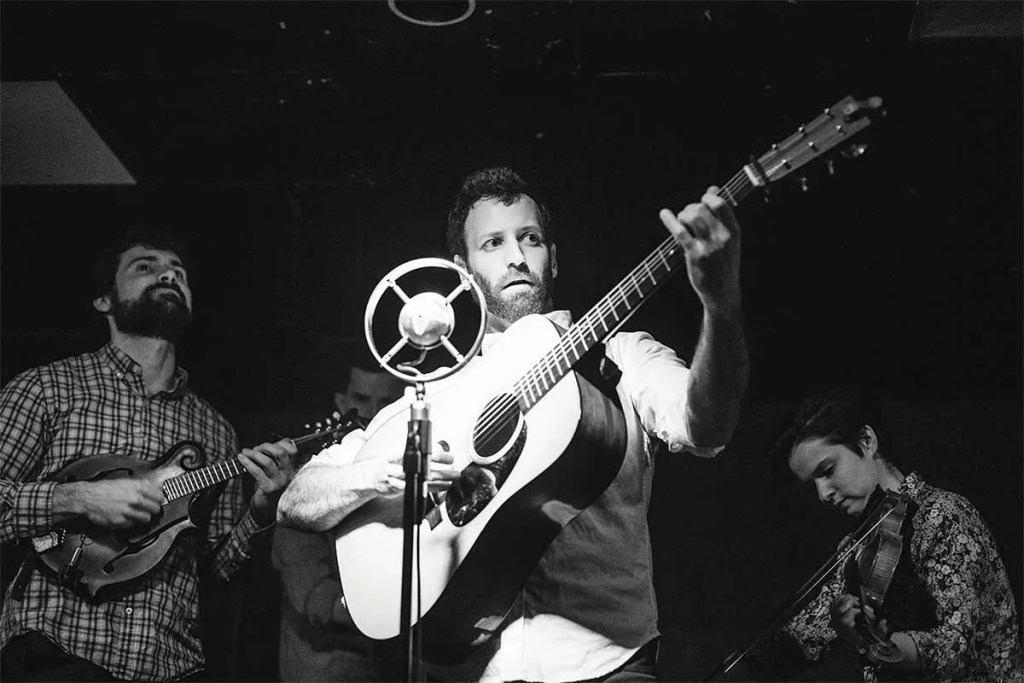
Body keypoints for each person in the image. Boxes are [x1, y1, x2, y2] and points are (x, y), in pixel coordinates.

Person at [277, 165, 749, 682]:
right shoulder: (435, 395)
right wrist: (373, 476)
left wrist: (720, 305)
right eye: (493, 244)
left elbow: (709, 426)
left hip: (605, 664)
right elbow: (297, 501)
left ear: (553, 256)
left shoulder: (618, 356)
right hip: (471, 668)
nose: (516, 257)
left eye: (530, 239)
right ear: (464, 267)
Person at [0, 226, 297, 681]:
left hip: (171, 666)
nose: (169, 276)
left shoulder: (215, 430)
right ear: (104, 300)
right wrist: (81, 498)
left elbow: (211, 569)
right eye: (146, 268)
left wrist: (260, 511)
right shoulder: (45, 388)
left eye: (179, 272)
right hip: (55, 650)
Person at [754, 389, 1023, 682]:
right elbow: (808, 635)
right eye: (813, 484)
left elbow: (956, 649)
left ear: (866, 441)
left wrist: (876, 644)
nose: (823, 494)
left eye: (828, 470)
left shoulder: (941, 516)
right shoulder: (859, 544)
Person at [272, 352, 405, 681]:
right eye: (361, 398)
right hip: (324, 669)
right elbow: (317, 598)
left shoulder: (405, 470)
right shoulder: (311, 480)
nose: (372, 412)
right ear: (340, 401)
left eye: (385, 401)